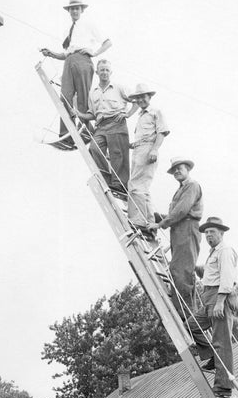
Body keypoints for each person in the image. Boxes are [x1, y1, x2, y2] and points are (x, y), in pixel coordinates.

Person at [40, 0, 112, 148]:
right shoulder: (68, 29)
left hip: (83, 61)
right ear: (69, 11)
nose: (74, 11)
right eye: (72, 8)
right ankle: (67, 133)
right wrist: (51, 53)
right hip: (69, 61)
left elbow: (108, 42)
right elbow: (66, 54)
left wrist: (95, 53)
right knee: (65, 97)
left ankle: (86, 130)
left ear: (82, 10)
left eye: (77, 8)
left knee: (82, 98)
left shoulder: (89, 24)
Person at [189, 216, 238, 398]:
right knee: (192, 325)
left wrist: (220, 301)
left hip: (219, 297)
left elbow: (227, 276)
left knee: (222, 342)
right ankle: (210, 354)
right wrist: (197, 269)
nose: (208, 235)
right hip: (209, 296)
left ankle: (223, 387)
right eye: (206, 232)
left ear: (221, 233)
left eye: (212, 232)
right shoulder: (214, 252)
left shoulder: (225, 250)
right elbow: (212, 272)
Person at [148, 157, 203, 316]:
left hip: (187, 228)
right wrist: (158, 217)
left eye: (180, 168)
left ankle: (186, 316)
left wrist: (160, 224)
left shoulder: (192, 186)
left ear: (188, 170)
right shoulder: (181, 189)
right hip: (179, 229)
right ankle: (184, 312)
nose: (177, 171)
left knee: (182, 271)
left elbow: (181, 211)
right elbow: (177, 212)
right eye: (174, 170)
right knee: (177, 270)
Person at [76, 60, 135, 195]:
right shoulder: (93, 93)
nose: (104, 72)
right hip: (101, 126)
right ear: (97, 72)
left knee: (117, 154)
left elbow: (135, 101)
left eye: (107, 70)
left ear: (111, 72)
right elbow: (92, 113)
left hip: (117, 123)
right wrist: (79, 114)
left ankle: (119, 184)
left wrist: (128, 114)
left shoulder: (119, 88)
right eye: (102, 70)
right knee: (94, 149)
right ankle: (107, 179)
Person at [127, 84, 169, 230]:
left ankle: (138, 220)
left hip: (147, 150)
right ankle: (149, 219)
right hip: (139, 149)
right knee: (142, 187)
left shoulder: (155, 112)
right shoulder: (141, 115)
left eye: (143, 96)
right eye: (137, 97)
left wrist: (155, 150)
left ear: (149, 97)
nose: (140, 100)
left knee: (135, 185)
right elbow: (145, 135)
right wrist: (134, 145)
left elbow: (161, 132)